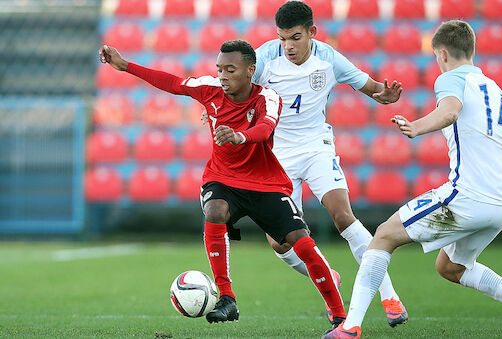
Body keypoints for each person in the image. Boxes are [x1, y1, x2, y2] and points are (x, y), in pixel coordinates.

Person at [324, 20, 502, 339]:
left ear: (441, 54)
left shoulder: (450, 79)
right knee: (450, 267)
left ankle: (350, 327)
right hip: (501, 204)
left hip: (466, 198)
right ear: (472, 50)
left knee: (383, 235)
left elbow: (451, 111)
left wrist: (416, 126)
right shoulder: (499, 94)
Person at [98, 40, 348, 329]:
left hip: (265, 184)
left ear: (250, 71)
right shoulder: (211, 89)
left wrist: (239, 136)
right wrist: (125, 65)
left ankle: (341, 316)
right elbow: (172, 83)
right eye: (220, 69)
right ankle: (227, 298)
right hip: (223, 179)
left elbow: (265, 127)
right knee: (214, 210)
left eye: (230, 69)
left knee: (300, 242)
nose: (223, 75)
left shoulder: (268, 97)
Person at [251, 1, 408, 327]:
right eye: (282, 38)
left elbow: (373, 89)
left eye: (295, 37)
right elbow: (237, 86)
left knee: (342, 214)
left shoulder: (329, 58)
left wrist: (387, 96)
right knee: (280, 241)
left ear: (312, 32)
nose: (288, 46)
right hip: (277, 156)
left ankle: (389, 294)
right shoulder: (265, 56)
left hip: (316, 147)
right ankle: (325, 274)